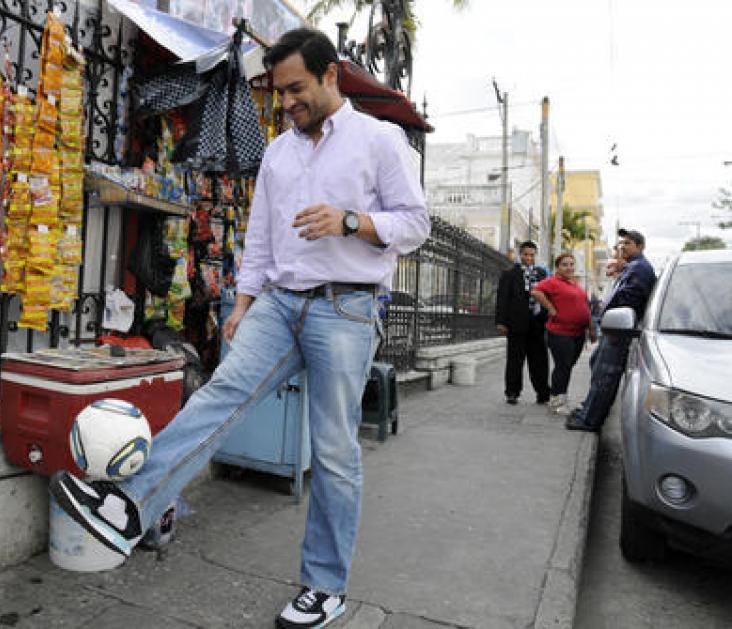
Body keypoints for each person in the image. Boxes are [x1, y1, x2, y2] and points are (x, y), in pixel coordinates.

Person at [50, 28, 429, 629]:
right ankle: (130, 507)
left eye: (297, 88)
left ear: (331, 76)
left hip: (347, 308)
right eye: (279, 92)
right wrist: (243, 300)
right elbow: (259, 238)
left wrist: (351, 220)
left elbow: (415, 226)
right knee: (221, 396)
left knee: (332, 451)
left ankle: (325, 588)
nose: (286, 103)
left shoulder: (379, 141)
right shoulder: (279, 151)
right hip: (279, 304)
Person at [565, 228, 656, 432]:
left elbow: (629, 302)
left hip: (619, 331)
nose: (623, 246)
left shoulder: (640, 268)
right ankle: (587, 411)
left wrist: (614, 319)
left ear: (640, 247)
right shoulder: (631, 267)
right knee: (597, 366)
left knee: (605, 375)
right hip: (613, 328)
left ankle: (590, 421)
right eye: (621, 243)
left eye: (629, 243)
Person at [531, 253, 596, 416]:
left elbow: (585, 307)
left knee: (567, 366)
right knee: (563, 366)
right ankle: (556, 402)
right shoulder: (553, 282)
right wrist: (551, 308)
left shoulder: (576, 284)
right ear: (558, 267)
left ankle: (561, 398)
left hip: (578, 333)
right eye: (565, 264)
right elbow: (536, 292)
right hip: (560, 332)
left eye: (571, 264)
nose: (569, 267)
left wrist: (591, 328)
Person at [495, 241, 551, 405]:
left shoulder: (542, 273)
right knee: (515, 360)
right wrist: (501, 322)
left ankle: (543, 393)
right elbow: (502, 298)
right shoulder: (510, 274)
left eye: (532, 255)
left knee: (539, 360)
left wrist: (548, 317)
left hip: (537, 323)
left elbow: (549, 296)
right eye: (526, 254)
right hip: (516, 323)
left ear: (535, 255)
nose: (529, 257)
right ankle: (512, 392)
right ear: (521, 255)